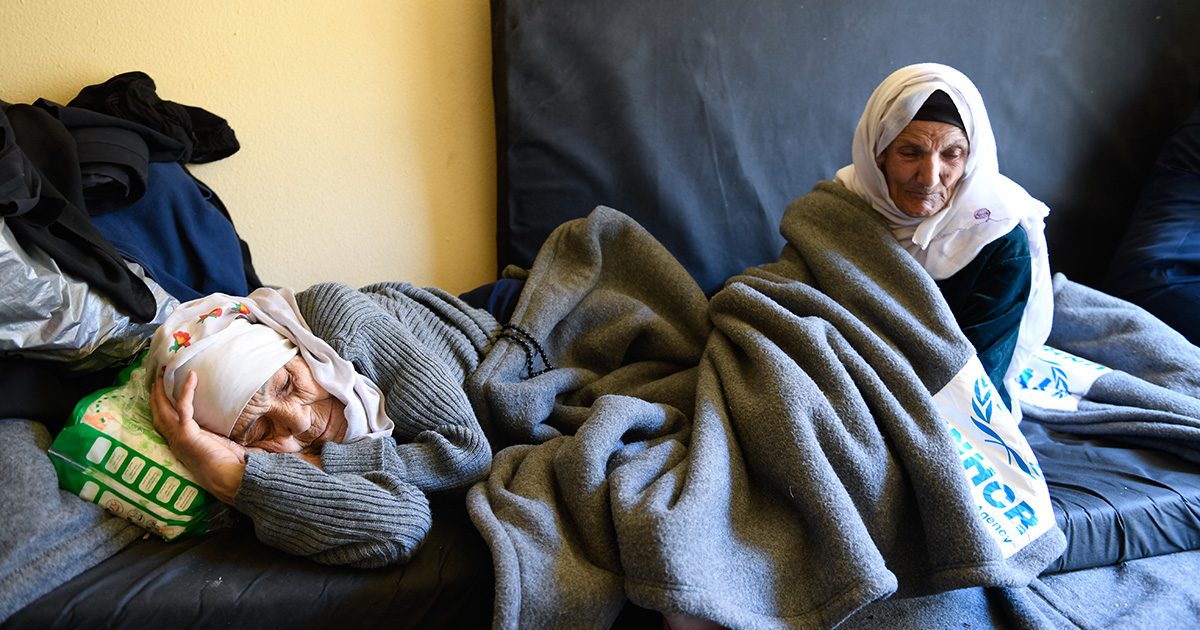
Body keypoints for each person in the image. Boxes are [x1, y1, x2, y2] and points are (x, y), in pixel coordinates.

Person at [147, 282, 500, 567]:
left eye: (287, 384)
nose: (300, 422)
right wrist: (236, 477)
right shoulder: (265, 456)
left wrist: (318, 462)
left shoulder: (341, 320)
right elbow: (401, 526)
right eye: (261, 430)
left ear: (299, 348)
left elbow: (466, 455)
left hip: (499, 325)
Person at [831, 63, 1053, 412]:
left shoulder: (997, 239)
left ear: (972, 158)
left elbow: (975, 381)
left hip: (942, 405)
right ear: (878, 154)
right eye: (909, 153)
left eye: (951, 154)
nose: (930, 178)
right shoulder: (839, 206)